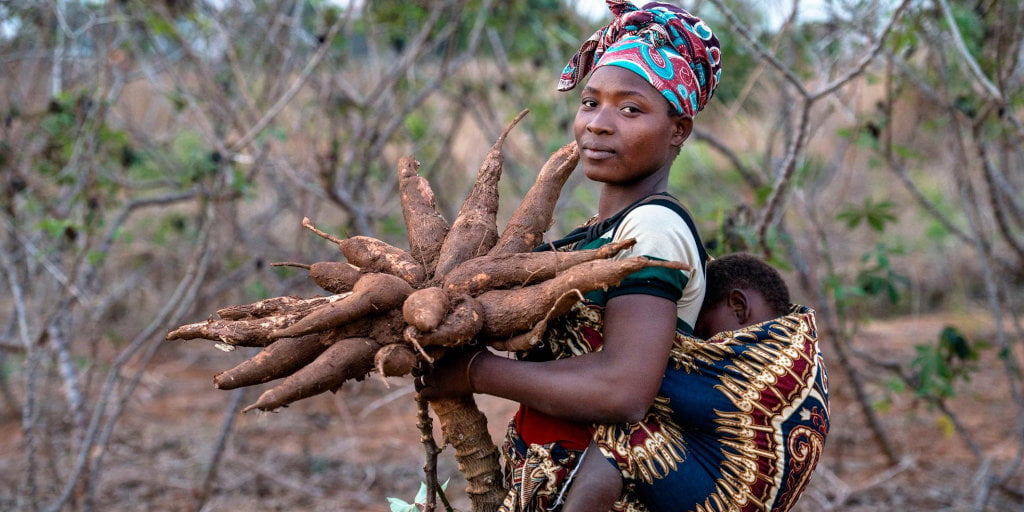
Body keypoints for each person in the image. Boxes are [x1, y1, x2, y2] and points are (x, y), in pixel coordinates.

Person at [421, 2, 828, 511]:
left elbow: (622, 390)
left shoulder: (653, 230)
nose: (599, 124)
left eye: (630, 109)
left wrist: (475, 371)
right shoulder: (593, 236)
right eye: (591, 103)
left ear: (678, 129)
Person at [560, 252, 821, 511]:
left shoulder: (751, 366)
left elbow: (631, 375)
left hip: (728, 502)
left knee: (627, 424)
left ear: (738, 306)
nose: (698, 343)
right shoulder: (799, 346)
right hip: (724, 483)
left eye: (702, 331)